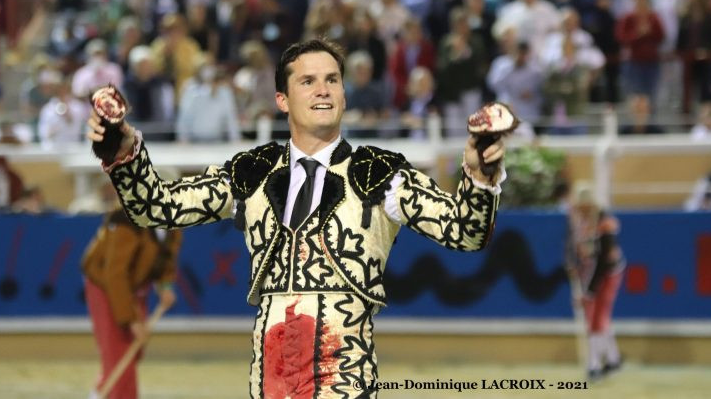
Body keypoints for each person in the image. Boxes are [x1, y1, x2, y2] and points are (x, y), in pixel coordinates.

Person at [87, 38, 506, 398]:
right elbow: (155, 207)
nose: (323, 90)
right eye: (308, 81)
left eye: (332, 80)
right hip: (272, 377)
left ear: (344, 94)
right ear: (282, 100)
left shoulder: (381, 173)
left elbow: (465, 232)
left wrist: (480, 175)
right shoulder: (250, 172)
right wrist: (121, 153)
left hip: (346, 376)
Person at [81, 205, 181, 399]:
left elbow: (166, 260)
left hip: (134, 289)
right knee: (119, 353)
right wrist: (131, 320)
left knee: (132, 351)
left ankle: (98, 394)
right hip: (106, 286)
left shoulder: (174, 225)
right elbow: (115, 275)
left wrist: (165, 287)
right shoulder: (125, 221)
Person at [566, 186, 625, 381]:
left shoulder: (604, 222)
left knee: (596, 317)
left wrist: (589, 292)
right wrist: (575, 265)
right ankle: (612, 359)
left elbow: (603, 261)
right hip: (590, 271)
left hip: (608, 272)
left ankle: (595, 365)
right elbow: (575, 249)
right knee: (597, 317)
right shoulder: (579, 221)